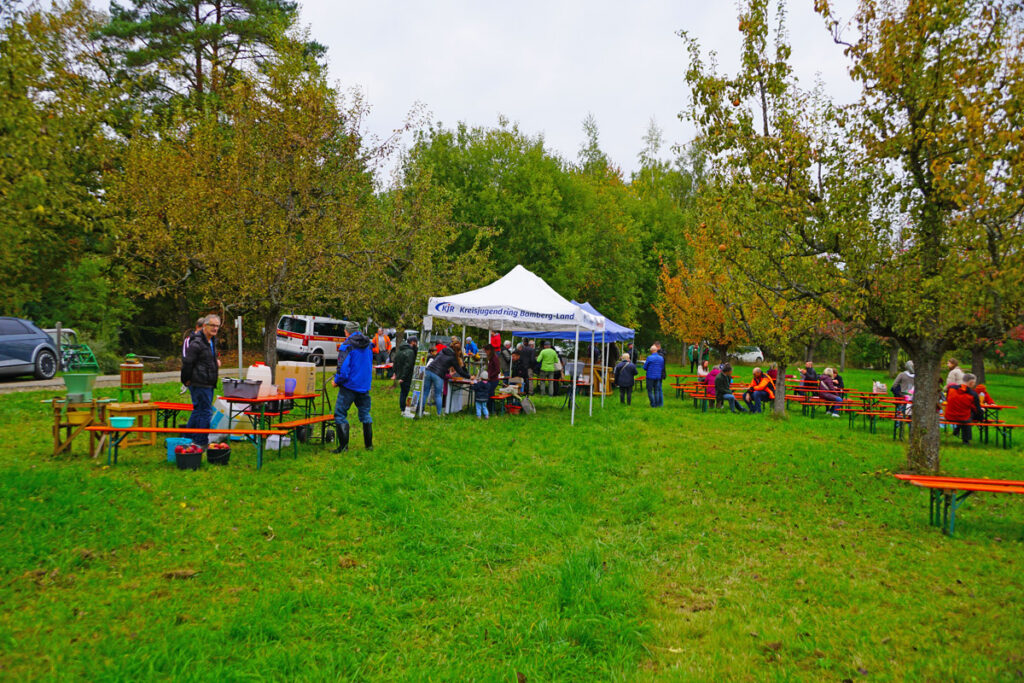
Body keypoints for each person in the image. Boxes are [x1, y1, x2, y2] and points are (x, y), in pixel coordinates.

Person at [180, 314, 221, 447]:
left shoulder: (212, 341)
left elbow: (207, 360)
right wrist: (185, 379)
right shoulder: (197, 343)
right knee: (206, 412)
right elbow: (187, 362)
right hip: (199, 382)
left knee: (198, 410)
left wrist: (215, 363)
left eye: (217, 326)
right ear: (204, 326)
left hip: (208, 382)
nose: (215, 328)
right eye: (212, 325)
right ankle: (201, 442)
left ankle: (187, 439)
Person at [332, 322, 373, 452]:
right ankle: (369, 446)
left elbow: (343, 369)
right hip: (364, 385)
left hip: (349, 386)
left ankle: (343, 447)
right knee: (365, 414)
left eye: (345, 331)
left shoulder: (347, 345)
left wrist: (337, 381)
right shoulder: (368, 344)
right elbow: (369, 364)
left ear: (347, 331)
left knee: (340, 414)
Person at [423, 338, 470, 416]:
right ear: (457, 351)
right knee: (438, 395)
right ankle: (439, 414)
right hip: (438, 374)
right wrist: (469, 376)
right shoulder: (453, 357)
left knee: (425, 393)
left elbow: (436, 358)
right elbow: (460, 371)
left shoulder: (442, 350)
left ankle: (420, 411)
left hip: (429, 370)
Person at [944, 373, 984, 444]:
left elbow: (948, 400)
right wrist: (982, 412)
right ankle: (966, 440)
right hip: (963, 417)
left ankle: (957, 430)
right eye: (974, 383)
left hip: (949, 416)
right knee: (970, 415)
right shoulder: (973, 394)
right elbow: (977, 409)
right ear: (971, 383)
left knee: (964, 413)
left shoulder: (951, 388)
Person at [391, 335, 418, 414]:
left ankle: (402, 408)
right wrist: (403, 377)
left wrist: (395, 373)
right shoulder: (410, 352)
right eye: (416, 342)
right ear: (413, 342)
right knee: (406, 392)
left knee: (403, 392)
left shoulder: (400, 350)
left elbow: (395, 362)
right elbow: (408, 365)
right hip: (407, 376)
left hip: (400, 375)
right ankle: (404, 409)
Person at [179, 317, 204, 394]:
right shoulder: (188, 340)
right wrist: (187, 378)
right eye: (202, 328)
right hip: (194, 376)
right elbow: (185, 359)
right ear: (197, 327)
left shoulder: (208, 340)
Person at [484, 344, 501, 410]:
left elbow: (498, 370)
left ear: (489, 350)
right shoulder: (491, 358)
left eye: (486, 351)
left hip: (494, 380)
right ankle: (489, 409)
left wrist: (490, 376)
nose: (486, 353)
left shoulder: (495, 358)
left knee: (490, 394)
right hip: (490, 379)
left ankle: (491, 409)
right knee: (489, 394)